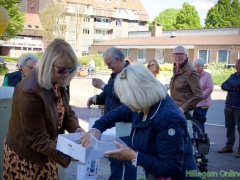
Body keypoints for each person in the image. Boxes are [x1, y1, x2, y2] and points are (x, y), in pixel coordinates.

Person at [81, 64, 201, 180]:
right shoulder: (142, 105)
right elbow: (117, 113)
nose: (123, 101)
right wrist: (96, 128)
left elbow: (171, 169)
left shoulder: (169, 118)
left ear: (139, 94)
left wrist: (135, 157)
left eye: (126, 97)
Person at [2, 38, 85, 179]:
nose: (67, 74)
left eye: (71, 69)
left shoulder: (60, 79)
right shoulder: (29, 91)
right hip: (26, 156)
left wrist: (76, 129)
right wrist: (72, 155)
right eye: (62, 70)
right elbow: (37, 139)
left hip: (49, 149)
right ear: (48, 65)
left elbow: (65, 109)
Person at [87, 46, 137, 180]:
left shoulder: (130, 73)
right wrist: (97, 98)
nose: (109, 67)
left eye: (109, 64)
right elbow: (109, 94)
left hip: (126, 126)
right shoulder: (115, 74)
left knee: (129, 161)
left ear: (117, 59)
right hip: (113, 125)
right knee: (114, 159)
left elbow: (122, 96)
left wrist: (103, 85)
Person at [169, 46, 202, 114]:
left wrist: (183, 108)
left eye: (181, 54)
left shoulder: (191, 71)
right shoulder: (176, 68)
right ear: (173, 56)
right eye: (176, 54)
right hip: (175, 109)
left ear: (186, 56)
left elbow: (198, 94)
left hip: (185, 112)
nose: (178, 56)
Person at [218, 58, 240, 158]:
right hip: (229, 105)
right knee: (229, 127)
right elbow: (223, 85)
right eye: (236, 65)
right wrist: (235, 88)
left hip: (238, 107)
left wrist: (232, 84)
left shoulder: (232, 78)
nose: (237, 67)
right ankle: (229, 146)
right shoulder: (233, 76)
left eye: (239, 65)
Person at [193, 58, 214, 130]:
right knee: (193, 123)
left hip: (203, 104)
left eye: (198, 66)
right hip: (193, 103)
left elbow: (210, 88)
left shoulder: (207, 75)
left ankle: (201, 140)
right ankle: (194, 140)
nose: (196, 68)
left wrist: (200, 96)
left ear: (202, 66)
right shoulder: (192, 75)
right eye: (195, 66)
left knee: (199, 123)